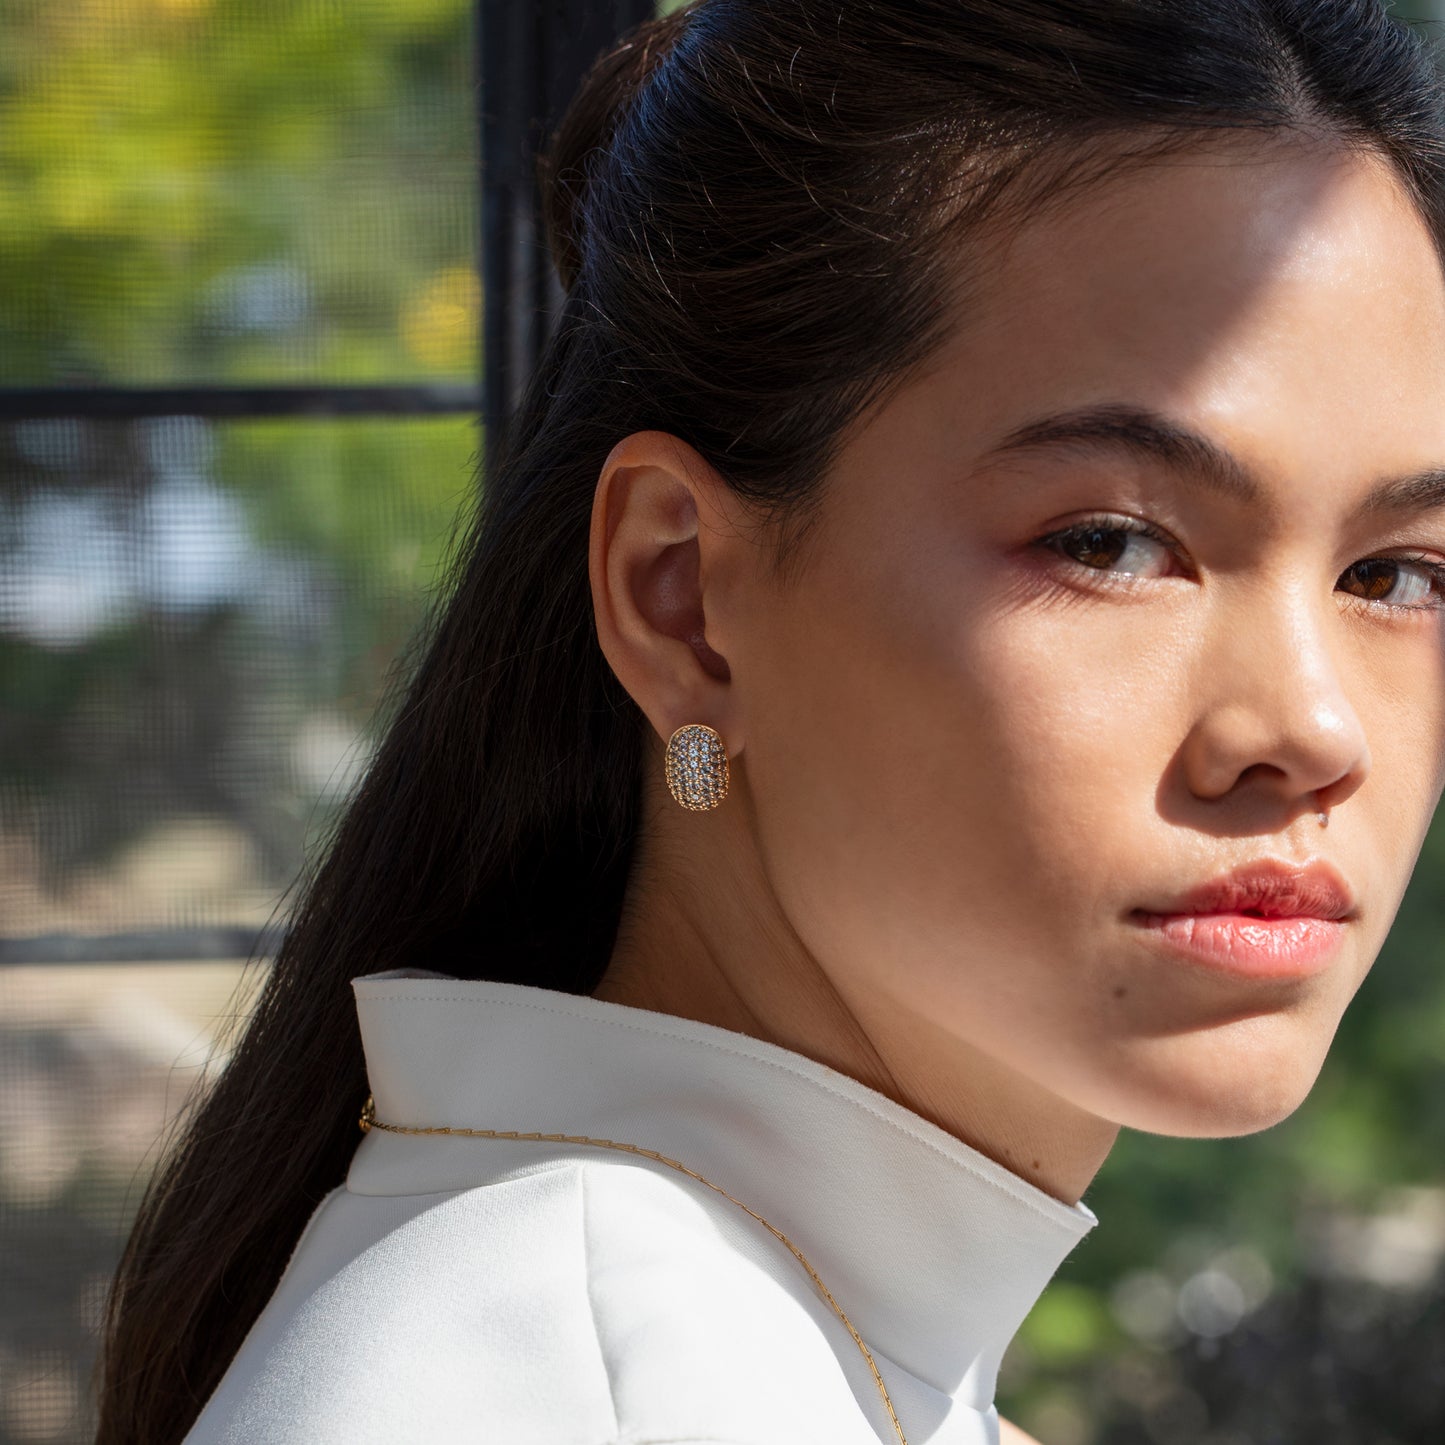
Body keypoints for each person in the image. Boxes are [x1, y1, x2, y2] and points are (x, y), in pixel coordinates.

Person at [98, 2, 1445, 1442]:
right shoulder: (569, 1375)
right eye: (1110, 543)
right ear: (681, 598)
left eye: (1395, 574)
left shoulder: (741, 1337)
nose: (1313, 729)